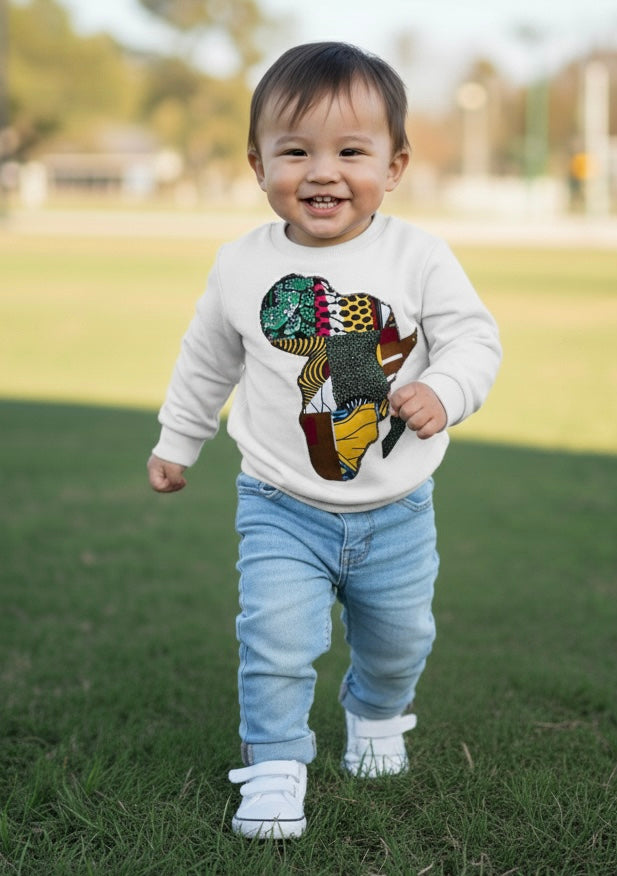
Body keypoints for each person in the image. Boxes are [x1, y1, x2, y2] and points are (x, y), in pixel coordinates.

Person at [147, 41, 501, 839]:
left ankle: (376, 718)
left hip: (397, 510)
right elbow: (205, 362)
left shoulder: (415, 255)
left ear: (395, 164)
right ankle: (273, 767)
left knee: (400, 639)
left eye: (350, 151)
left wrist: (442, 390)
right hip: (279, 504)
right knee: (273, 638)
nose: (321, 172)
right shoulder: (242, 266)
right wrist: (178, 441)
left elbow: (475, 342)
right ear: (257, 162)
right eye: (294, 150)